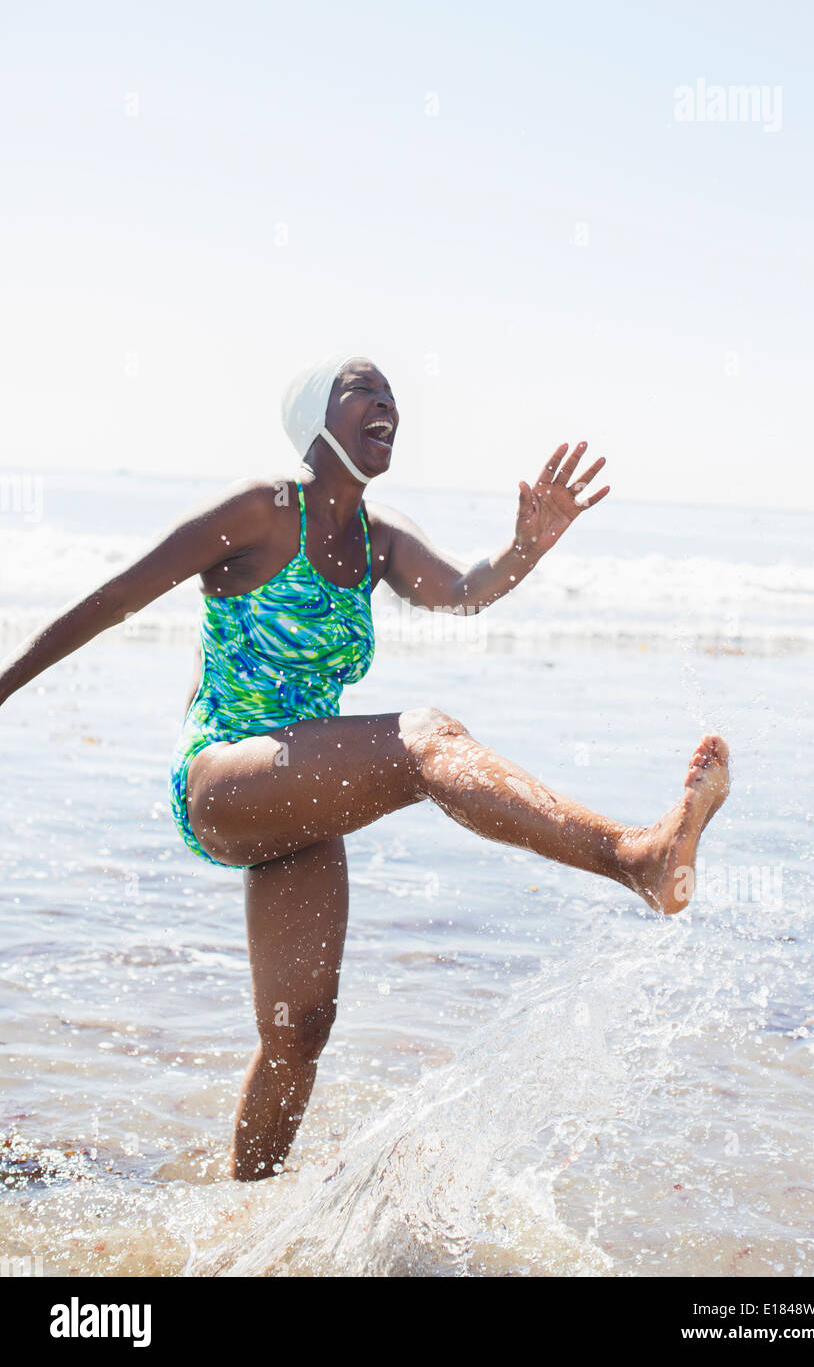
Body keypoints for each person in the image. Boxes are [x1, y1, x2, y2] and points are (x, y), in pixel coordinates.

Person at [0, 354, 729, 1181]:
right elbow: (116, 596)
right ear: (317, 417)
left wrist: (526, 547)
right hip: (222, 775)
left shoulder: (377, 539)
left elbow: (463, 589)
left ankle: (247, 1215)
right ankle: (632, 855)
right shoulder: (262, 509)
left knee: (300, 1027)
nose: (385, 401)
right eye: (361, 389)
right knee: (426, 738)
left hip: (302, 785)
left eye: (389, 392)